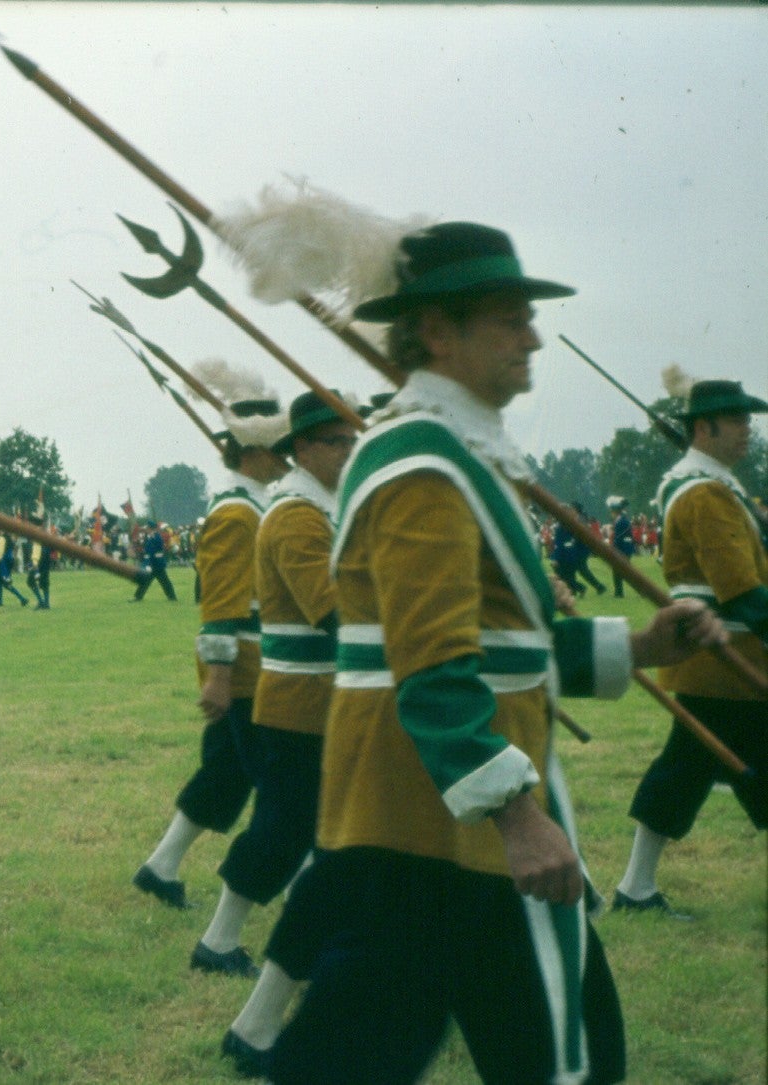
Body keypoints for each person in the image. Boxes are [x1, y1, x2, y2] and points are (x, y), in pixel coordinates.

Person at [266, 222, 724, 1084]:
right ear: (436, 331)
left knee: (381, 1043)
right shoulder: (421, 465)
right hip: (439, 816)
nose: (532, 338)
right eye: (510, 319)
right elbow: (431, 664)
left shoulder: (453, 453)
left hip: (430, 816)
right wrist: (516, 813)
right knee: (559, 1050)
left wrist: (644, 643)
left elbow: (508, 645)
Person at [213, 392, 354, 1076]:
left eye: (348, 439)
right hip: (304, 707)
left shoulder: (322, 509)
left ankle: (261, 1002)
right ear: (299, 449)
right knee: (293, 837)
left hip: (327, 705)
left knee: (316, 848)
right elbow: (338, 615)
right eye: (331, 442)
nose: (345, 450)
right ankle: (232, 964)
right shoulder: (297, 517)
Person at [132, 394, 288, 955]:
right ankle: (224, 935)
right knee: (285, 793)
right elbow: (220, 601)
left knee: (225, 775)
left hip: (257, 663)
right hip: (245, 670)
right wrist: (219, 674)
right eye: (278, 448)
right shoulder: (235, 512)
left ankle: (161, 866)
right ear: (254, 453)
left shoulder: (258, 505)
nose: (287, 457)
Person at [614, 378, 767, 918]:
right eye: (738, 419)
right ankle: (633, 889)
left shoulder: (714, 484)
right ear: (705, 428)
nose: (749, 429)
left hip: (722, 664)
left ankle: (635, 889)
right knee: (685, 771)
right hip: (728, 662)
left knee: (685, 770)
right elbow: (743, 593)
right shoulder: (703, 492)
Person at [130, 521, 178, 602]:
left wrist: (148, 563)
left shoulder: (156, 537)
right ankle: (138, 597)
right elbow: (147, 550)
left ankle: (172, 597)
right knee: (151, 580)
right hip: (153, 563)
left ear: (150, 528)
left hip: (156, 563)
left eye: (147, 528)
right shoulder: (151, 536)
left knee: (164, 581)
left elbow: (154, 550)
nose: (146, 530)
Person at [0, 528, 30, 607]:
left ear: (1, 530)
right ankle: (22, 599)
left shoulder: (2, 539)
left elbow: (0, 553)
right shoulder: (9, 538)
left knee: (0, 581)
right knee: (3, 582)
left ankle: (1, 601)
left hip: (4, 561)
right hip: (10, 561)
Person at [608, 498, 636, 598]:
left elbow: (619, 537)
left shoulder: (621, 521)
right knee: (622, 572)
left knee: (623, 572)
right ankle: (618, 592)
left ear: (615, 511)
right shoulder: (622, 520)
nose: (611, 513)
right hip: (624, 548)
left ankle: (619, 593)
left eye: (612, 511)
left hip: (623, 549)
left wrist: (613, 546)